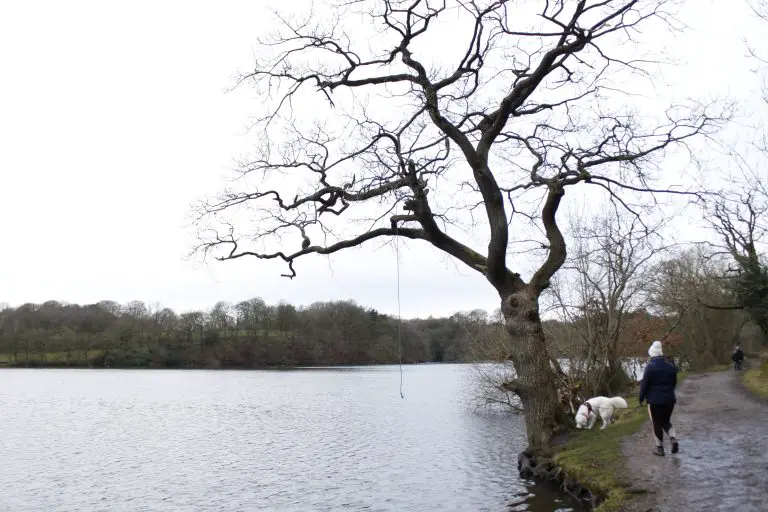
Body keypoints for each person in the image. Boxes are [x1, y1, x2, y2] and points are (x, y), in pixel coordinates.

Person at [639, 340, 679, 456]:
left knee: (656, 423)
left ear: (652, 354)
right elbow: (674, 383)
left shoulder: (650, 367)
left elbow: (644, 385)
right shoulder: (671, 366)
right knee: (666, 421)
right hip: (669, 400)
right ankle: (673, 438)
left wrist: (641, 399)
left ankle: (659, 449)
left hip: (655, 401)